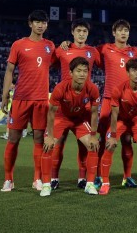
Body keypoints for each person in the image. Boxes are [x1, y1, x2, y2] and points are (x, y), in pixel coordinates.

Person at [0, 10, 56, 192]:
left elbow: (63, 60)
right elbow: (9, 71)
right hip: (21, 99)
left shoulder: (50, 46)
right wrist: (4, 95)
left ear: (47, 25)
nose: (41, 25)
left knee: (39, 139)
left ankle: (37, 179)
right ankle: (9, 179)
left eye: (44, 22)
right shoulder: (19, 45)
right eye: (37, 22)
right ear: (30, 23)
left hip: (41, 99)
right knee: (13, 138)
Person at [39, 57, 101, 197]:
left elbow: (94, 113)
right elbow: (51, 113)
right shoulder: (61, 88)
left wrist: (92, 135)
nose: (82, 74)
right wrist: (49, 136)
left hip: (80, 119)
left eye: (85, 71)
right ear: (71, 73)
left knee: (93, 146)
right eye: (78, 71)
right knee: (48, 146)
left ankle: (90, 184)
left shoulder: (92, 89)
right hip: (61, 117)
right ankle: (46, 184)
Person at [52, 18, 101, 190]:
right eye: (78, 31)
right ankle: (53, 178)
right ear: (72, 32)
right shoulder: (62, 49)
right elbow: (46, 64)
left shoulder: (93, 51)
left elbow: (109, 65)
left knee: (85, 145)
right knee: (59, 143)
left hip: (84, 107)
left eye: (84, 31)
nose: (81, 34)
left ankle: (83, 178)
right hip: (64, 106)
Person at [96, 19, 137, 188]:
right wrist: (67, 44)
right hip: (109, 99)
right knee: (103, 139)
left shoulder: (135, 52)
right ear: (114, 32)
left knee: (127, 139)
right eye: (120, 30)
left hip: (129, 103)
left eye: (126, 30)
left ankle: (127, 176)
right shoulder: (104, 49)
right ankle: (98, 176)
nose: (123, 33)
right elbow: (84, 52)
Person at [98, 58, 137, 195]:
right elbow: (114, 114)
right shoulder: (119, 89)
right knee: (109, 145)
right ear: (127, 72)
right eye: (134, 70)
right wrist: (112, 136)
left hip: (136, 121)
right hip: (120, 121)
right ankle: (105, 183)